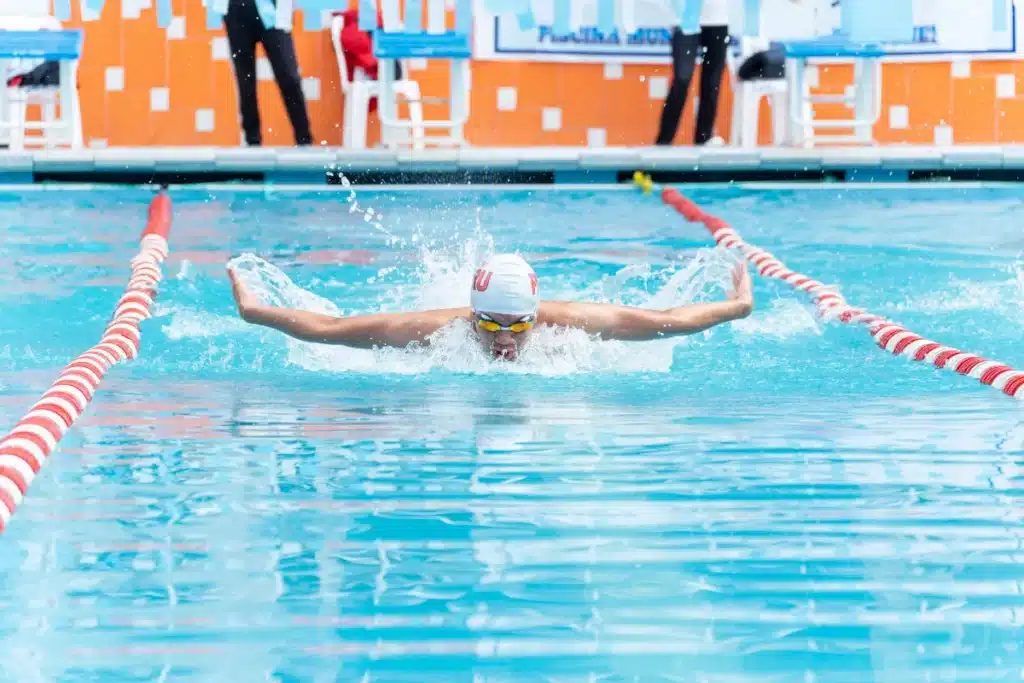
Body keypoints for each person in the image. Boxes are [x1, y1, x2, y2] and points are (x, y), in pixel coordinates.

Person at [227, 253, 754, 362]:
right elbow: (332, 329)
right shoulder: (435, 330)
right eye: (489, 324)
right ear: (470, 313)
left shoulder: (567, 324)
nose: (504, 339)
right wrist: (256, 313)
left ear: (537, 314)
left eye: (519, 325)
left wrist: (737, 308)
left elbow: (666, 325)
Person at [223, 0, 313, 147]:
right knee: (245, 81)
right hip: (237, 10)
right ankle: (252, 141)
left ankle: (304, 139)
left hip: (273, 9)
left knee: (289, 75)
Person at [655, 0, 730, 146]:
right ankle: (664, 141)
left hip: (718, 18)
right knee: (682, 79)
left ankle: (703, 138)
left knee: (712, 83)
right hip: (684, 17)